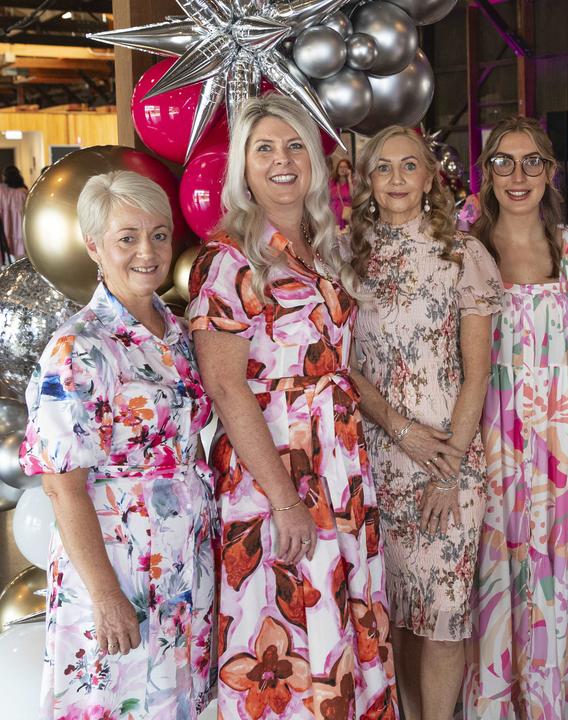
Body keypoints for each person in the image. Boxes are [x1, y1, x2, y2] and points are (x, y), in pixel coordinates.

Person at [186, 94, 397, 718]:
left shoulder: (319, 248)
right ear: (243, 169)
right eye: (265, 149)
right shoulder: (229, 259)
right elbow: (226, 388)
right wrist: (283, 497)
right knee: (283, 632)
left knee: (345, 617)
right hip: (276, 470)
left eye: (295, 145)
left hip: (341, 467)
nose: (282, 161)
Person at [20, 170, 215, 718]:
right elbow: (61, 488)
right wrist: (106, 597)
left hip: (183, 562)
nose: (147, 251)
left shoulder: (175, 331)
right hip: (118, 564)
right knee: (119, 702)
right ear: (93, 246)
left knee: (177, 704)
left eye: (158, 233)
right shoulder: (77, 347)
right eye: (126, 237)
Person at [346, 125, 500, 720]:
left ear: (430, 176)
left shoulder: (463, 254)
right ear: (367, 182)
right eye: (383, 168)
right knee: (393, 616)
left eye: (409, 166)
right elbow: (339, 363)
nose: (397, 179)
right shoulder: (342, 257)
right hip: (372, 458)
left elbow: (477, 373)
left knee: (442, 617)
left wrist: (447, 469)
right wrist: (398, 429)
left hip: (448, 458)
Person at [462, 116, 568, 719]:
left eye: (531, 163)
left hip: (557, 432)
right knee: (499, 556)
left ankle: (559, 696)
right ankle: (502, 697)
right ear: (487, 172)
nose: (517, 176)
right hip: (493, 426)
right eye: (503, 162)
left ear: (551, 172)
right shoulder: (468, 246)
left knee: (558, 551)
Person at [0, 164, 28, 259]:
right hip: (20, 231)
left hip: (5, 229)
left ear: (5, 176)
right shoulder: (23, 192)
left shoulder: (1, 191)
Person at [329, 153, 354, 230]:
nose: (342, 169)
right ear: (337, 169)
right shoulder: (332, 182)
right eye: (340, 167)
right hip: (332, 214)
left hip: (345, 215)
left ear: (349, 169)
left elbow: (353, 197)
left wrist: (349, 179)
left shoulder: (352, 182)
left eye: (345, 167)